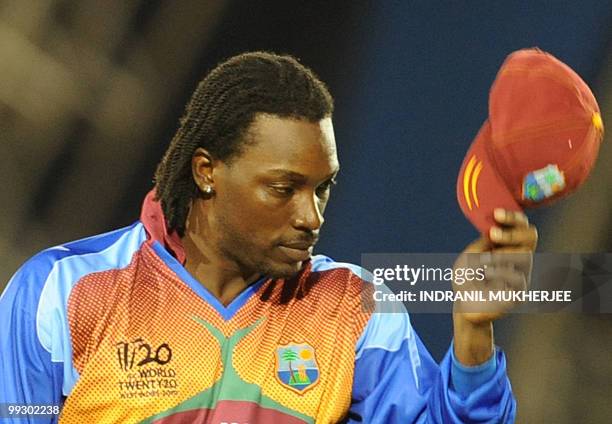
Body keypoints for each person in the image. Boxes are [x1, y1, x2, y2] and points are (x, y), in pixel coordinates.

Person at [0, 51, 537, 423]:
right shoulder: (59, 292)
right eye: (284, 188)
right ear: (207, 171)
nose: (312, 216)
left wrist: (472, 333)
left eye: (323, 189)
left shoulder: (353, 310)